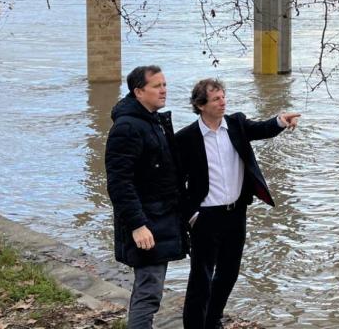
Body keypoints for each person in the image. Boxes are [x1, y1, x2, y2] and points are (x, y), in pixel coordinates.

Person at [174, 78, 300, 329]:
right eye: (216, 99)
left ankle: (213, 320)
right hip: (205, 217)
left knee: (229, 273)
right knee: (201, 277)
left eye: (223, 96)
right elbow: (175, 183)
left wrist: (281, 121)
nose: (223, 102)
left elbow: (262, 129)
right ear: (200, 105)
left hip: (236, 213)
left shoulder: (236, 124)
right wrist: (191, 215)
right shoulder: (186, 138)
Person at [105, 65, 188, 329]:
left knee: (151, 289)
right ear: (139, 92)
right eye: (157, 86)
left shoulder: (153, 121)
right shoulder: (127, 127)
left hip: (162, 219)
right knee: (148, 291)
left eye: (164, 84)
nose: (163, 90)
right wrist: (138, 225)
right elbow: (119, 183)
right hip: (147, 223)